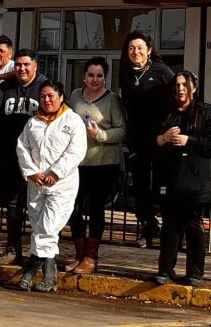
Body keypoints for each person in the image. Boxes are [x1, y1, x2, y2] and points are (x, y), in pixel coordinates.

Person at [16, 80, 86, 292]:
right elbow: (22, 148)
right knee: (39, 229)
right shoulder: (33, 122)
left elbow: (76, 151)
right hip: (37, 184)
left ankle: (29, 273)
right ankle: (49, 278)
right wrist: (31, 172)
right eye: (43, 96)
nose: (46, 100)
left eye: (51, 96)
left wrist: (56, 173)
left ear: (61, 97)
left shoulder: (73, 121)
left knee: (48, 228)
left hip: (62, 186)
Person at [154, 71, 211, 287]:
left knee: (193, 226)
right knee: (170, 226)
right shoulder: (167, 112)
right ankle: (165, 270)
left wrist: (189, 141)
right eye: (176, 85)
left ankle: (194, 273)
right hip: (171, 179)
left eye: (184, 85)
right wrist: (164, 138)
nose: (180, 89)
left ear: (194, 87)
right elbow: (153, 143)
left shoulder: (205, 111)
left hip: (195, 180)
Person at [66, 57, 126, 274]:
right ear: (84, 76)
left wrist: (99, 134)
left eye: (99, 75)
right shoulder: (75, 95)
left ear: (105, 77)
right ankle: (79, 253)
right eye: (91, 75)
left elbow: (122, 129)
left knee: (96, 209)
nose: (95, 79)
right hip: (78, 162)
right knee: (72, 208)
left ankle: (91, 257)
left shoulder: (113, 100)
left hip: (103, 163)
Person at [0, 48, 47, 265]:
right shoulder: (5, 88)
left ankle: (40, 255)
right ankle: (12, 250)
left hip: (38, 160)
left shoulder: (45, 87)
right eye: (18, 65)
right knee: (13, 207)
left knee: (38, 208)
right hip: (10, 159)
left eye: (26, 64)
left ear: (35, 66)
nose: (22, 69)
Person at [118, 31, 174, 248]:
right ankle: (148, 226)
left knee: (161, 185)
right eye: (131, 48)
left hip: (161, 138)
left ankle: (170, 231)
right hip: (137, 139)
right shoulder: (125, 74)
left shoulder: (161, 70)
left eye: (140, 48)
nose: (136, 52)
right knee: (141, 187)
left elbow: (179, 93)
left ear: (149, 50)